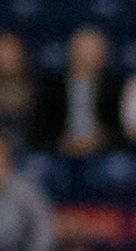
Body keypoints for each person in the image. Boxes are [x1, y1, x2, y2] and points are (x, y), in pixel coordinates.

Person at [39, 26, 120, 158]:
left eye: (96, 48)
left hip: (104, 154)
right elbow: (40, 131)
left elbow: (124, 132)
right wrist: (62, 142)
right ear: (73, 50)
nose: (90, 54)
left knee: (119, 166)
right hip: (58, 153)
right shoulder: (52, 86)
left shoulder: (114, 86)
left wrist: (102, 139)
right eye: (85, 47)